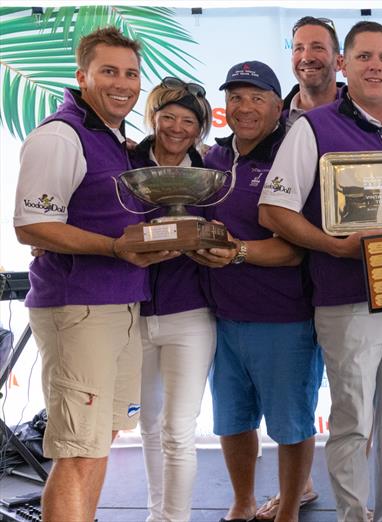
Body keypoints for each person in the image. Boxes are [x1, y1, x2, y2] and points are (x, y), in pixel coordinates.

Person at [260, 21, 382, 522]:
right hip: (345, 298)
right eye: (364, 57)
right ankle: (354, 516)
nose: (375, 66)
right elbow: (274, 211)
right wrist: (335, 247)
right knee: (353, 422)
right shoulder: (314, 127)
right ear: (343, 65)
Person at [12, 27, 178, 521]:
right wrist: (113, 247)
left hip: (120, 306)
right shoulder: (60, 135)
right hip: (77, 309)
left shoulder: (111, 141)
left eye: (130, 73)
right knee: (77, 449)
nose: (123, 83)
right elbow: (33, 225)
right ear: (82, 76)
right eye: (109, 71)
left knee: (98, 442)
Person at [188, 61, 324, 522]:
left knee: (290, 425)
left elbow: (297, 249)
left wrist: (239, 251)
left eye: (257, 97)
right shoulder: (212, 159)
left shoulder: (292, 154)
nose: (244, 107)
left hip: (284, 318)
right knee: (232, 421)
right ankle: (243, 500)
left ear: (276, 105)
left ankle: (288, 507)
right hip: (222, 318)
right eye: (236, 97)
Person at [128, 76, 215, 522]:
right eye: (168, 117)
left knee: (178, 430)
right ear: (153, 118)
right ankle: (155, 514)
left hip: (191, 316)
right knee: (148, 426)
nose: (177, 128)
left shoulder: (215, 175)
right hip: (133, 314)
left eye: (188, 120)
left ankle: (173, 518)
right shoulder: (123, 162)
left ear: (200, 129)